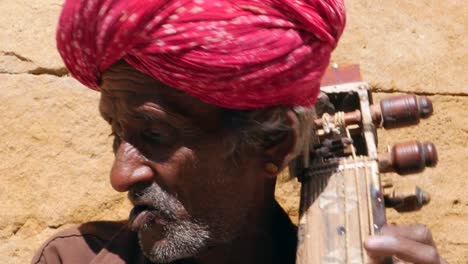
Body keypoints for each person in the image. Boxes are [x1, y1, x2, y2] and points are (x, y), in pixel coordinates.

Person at [32, 0, 446, 263]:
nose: (120, 177)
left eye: (155, 135)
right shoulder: (73, 258)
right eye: (115, 135)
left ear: (273, 143)